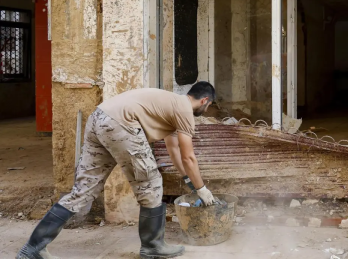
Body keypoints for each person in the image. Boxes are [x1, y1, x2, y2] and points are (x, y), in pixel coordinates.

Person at [17, 82, 219, 259]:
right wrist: (202, 188)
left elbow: (174, 150)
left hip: (98, 118)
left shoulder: (172, 104)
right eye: (209, 106)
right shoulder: (184, 110)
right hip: (121, 124)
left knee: (84, 189)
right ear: (205, 101)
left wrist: (189, 181)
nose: (207, 110)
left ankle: (32, 248)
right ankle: (153, 246)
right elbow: (188, 157)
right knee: (151, 183)